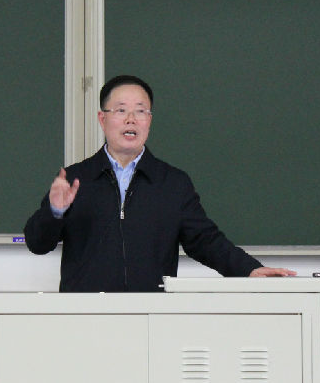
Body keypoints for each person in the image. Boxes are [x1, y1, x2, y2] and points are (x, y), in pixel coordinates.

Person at [24, 74, 296, 292]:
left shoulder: (172, 183)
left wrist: (249, 269)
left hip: (152, 317)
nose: (131, 119)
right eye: (121, 110)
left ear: (149, 120)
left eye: (140, 111)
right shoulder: (75, 179)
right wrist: (55, 212)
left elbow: (205, 241)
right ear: (102, 119)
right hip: (85, 316)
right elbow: (37, 243)